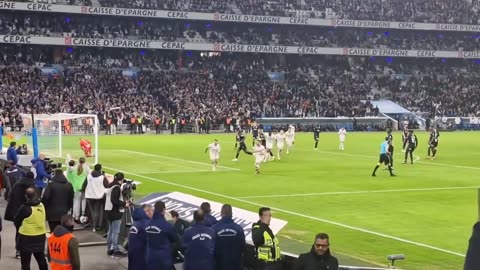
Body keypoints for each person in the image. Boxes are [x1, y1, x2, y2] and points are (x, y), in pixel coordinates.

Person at [14, 187, 48, 270]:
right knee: (41, 259)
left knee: (25, 262)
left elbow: (17, 220)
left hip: (26, 237)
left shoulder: (24, 208)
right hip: (40, 236)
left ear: (26, 196)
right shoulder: (41, 205)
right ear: (35, 194)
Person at [4, 171, 35, 258]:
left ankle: (18, 250)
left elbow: (9, 196)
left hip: (15, 212)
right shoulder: (31, 186)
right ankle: (25, 249)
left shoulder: (17, 184)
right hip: (27, 212)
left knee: (19, 231)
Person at [212, 204, 246, 270]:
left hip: (218, 265)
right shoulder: (239, 229)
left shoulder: (213, 229)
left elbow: (210, 249)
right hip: (235, 265)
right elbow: (243, 248)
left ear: (221, 213)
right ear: (231, 214)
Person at [145, 201, 178, 270]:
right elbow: (175, 239)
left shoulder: (146, 224)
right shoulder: (167, 226)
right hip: (163, 260)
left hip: (149, 257)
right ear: (163, 210)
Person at [105, 172, 130, 257]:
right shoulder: (116, 187)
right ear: (122, 179)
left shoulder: (111, 185)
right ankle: (115, 249)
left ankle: (109, 249)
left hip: (109, 210)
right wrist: (124, 204)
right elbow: (114, 200)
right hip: (115, 211)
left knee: (111, 231)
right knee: (115, 231)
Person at [129, 204, 154, 270]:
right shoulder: (147, 224)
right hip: (142, 256)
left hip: (132, 254)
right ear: (148, 211)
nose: (153, 213)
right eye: (152, 211)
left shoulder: (136, 222)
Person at [84, 164, 107, 232]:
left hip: (89, 196)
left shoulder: (88, 176)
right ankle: (95, 226)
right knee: (96, 212)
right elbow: (107, 185)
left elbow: (84, 186)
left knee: (92, 211)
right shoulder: (102, 177)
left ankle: (93, 224)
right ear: (100, 169)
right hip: (98, 196)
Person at [66, 158, 89, 222]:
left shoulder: (75, 168)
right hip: (84, 186)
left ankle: (75, 215)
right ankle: (83, 214)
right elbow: (89, 175)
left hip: (76, 186)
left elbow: (70, 169)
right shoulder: (86, 168)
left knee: (76, 201)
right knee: (84, 200)